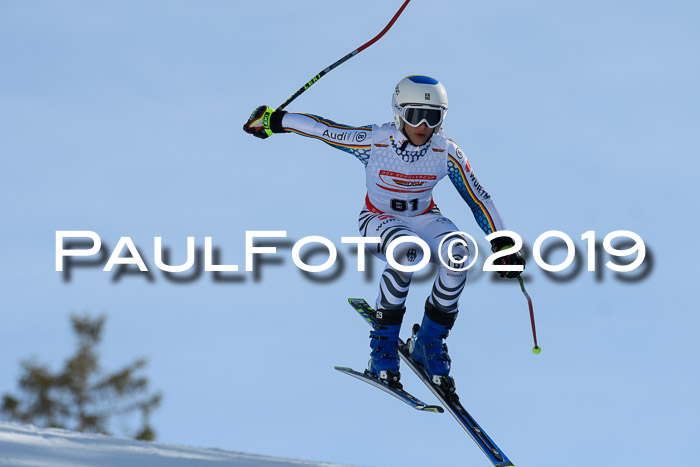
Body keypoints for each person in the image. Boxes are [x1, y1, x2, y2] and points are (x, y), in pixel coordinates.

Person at [243, 75, 525, 388]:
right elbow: (324, 129)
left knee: (459, 254)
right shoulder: (375, 141)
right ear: (398, 112)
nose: (423, 125)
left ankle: (429, 344)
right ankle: (383, 347)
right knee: (407, 254)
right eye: (414, 115)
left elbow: (477, 197)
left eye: (432, 117)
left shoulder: (445, 152)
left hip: (424, 218)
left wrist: (504, 246)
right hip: (379, 220)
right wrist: (275, 120)